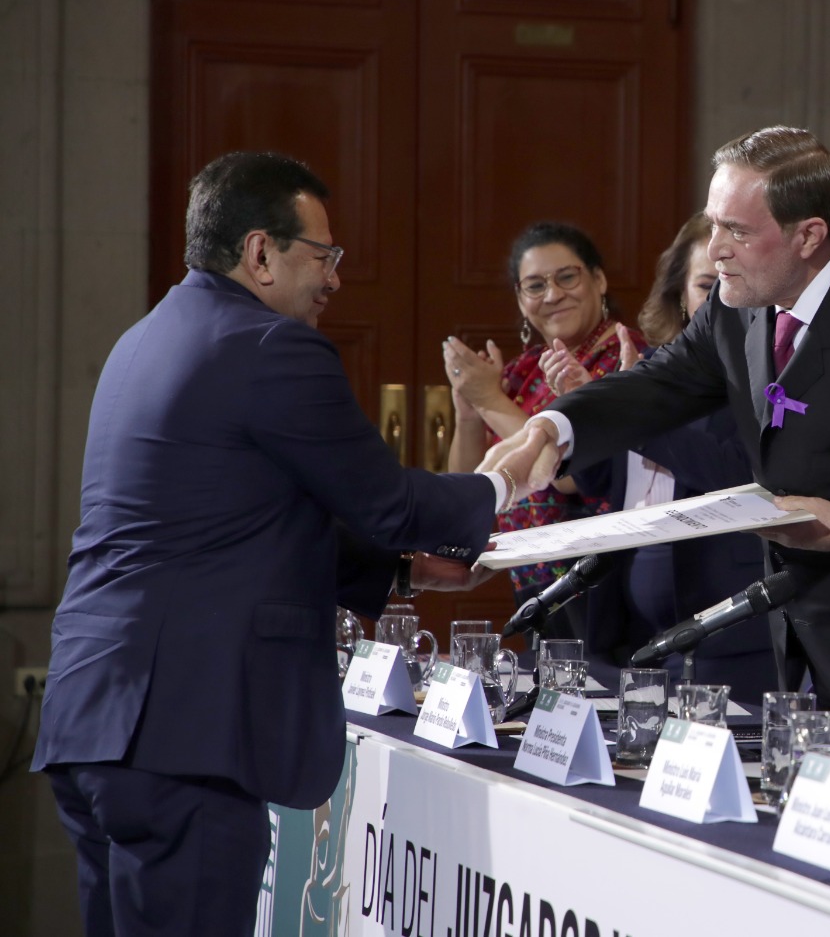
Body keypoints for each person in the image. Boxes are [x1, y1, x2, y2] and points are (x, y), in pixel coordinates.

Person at [32, 152, 520, 937]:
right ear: (260, 252)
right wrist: (504, 482)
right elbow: (386, 501)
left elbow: (229, 522)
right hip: (186, 733)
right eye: (322, 256)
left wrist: (397, 573)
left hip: (99, 719)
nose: (334, 279)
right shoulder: (268, 346)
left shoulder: (145, 338)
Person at [485, 126, 830, 730]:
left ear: (809, 235)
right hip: (791, 643)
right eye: (713, 224)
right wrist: (553, 427)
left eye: (737, 230)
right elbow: (657, 384)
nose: (716, 249)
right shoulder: (740, 306)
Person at [573, 214, 779, 700]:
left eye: (726, 284)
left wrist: (636, 419)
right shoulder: (649, 372)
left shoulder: (763, 379)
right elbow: (599, 483)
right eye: (705, 286)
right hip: (632, 627)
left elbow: (733, 473)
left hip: (724, 631)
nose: (717, 300)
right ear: (681, 298)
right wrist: (594, 420)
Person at [442, 221, 646, 604]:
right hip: (529, 579)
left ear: (599, 280)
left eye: (567, 277)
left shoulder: (628, 356)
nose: (552, 294)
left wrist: (490, 400)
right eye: (535, 286)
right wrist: (470, 412)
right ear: (521, 300)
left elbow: (568, 473)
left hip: (600, 578)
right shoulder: (524, 370)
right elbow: (471, 487)